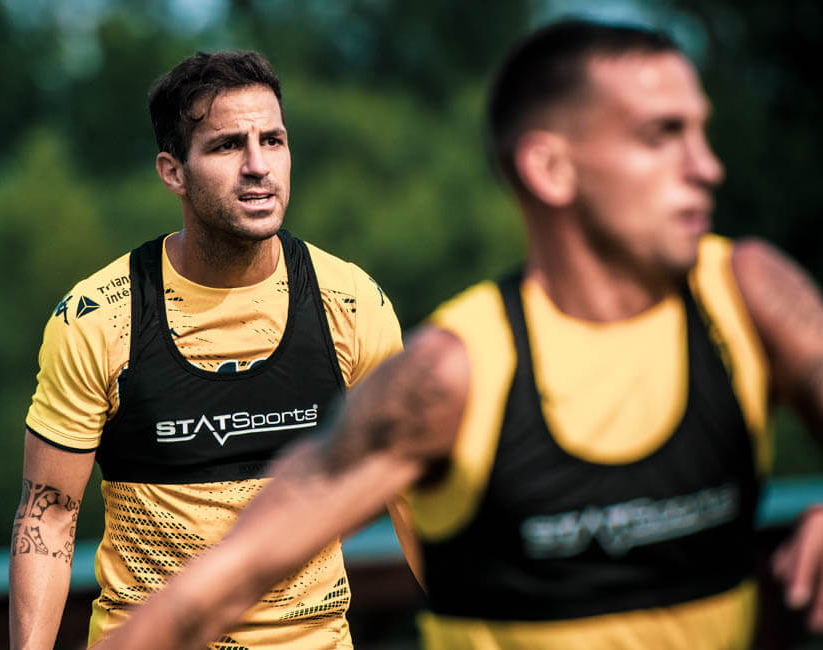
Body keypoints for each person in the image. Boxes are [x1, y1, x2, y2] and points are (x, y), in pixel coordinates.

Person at [94, 19, 823, 650]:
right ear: (550, 167)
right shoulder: (449, 375)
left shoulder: (749, 295)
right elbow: (206, 596)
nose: (706, 167)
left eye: (699, 131)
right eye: (661, 136)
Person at [8, 50, 402, 649]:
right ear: (173, 172)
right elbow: (51, 516)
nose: (258, 166)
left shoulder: (349, 302)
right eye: (226, 146)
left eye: (273, 141)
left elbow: (411, 490)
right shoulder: (98, 317)